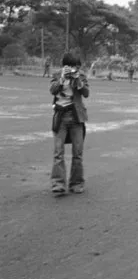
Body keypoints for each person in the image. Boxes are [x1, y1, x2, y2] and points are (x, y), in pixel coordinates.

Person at [49, 53, 89, 195]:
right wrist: (62, 79)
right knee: (58, 153)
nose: (74, 69)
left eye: (76, 67)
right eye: (71, 67)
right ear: (65, 66)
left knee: (77, 153)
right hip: (61, 116)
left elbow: (86, 93)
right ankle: (58, 184)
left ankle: (76, 183)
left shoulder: (81, 76)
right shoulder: (57, 74)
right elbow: (52, 90)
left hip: (76, 117)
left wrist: (78, 80)